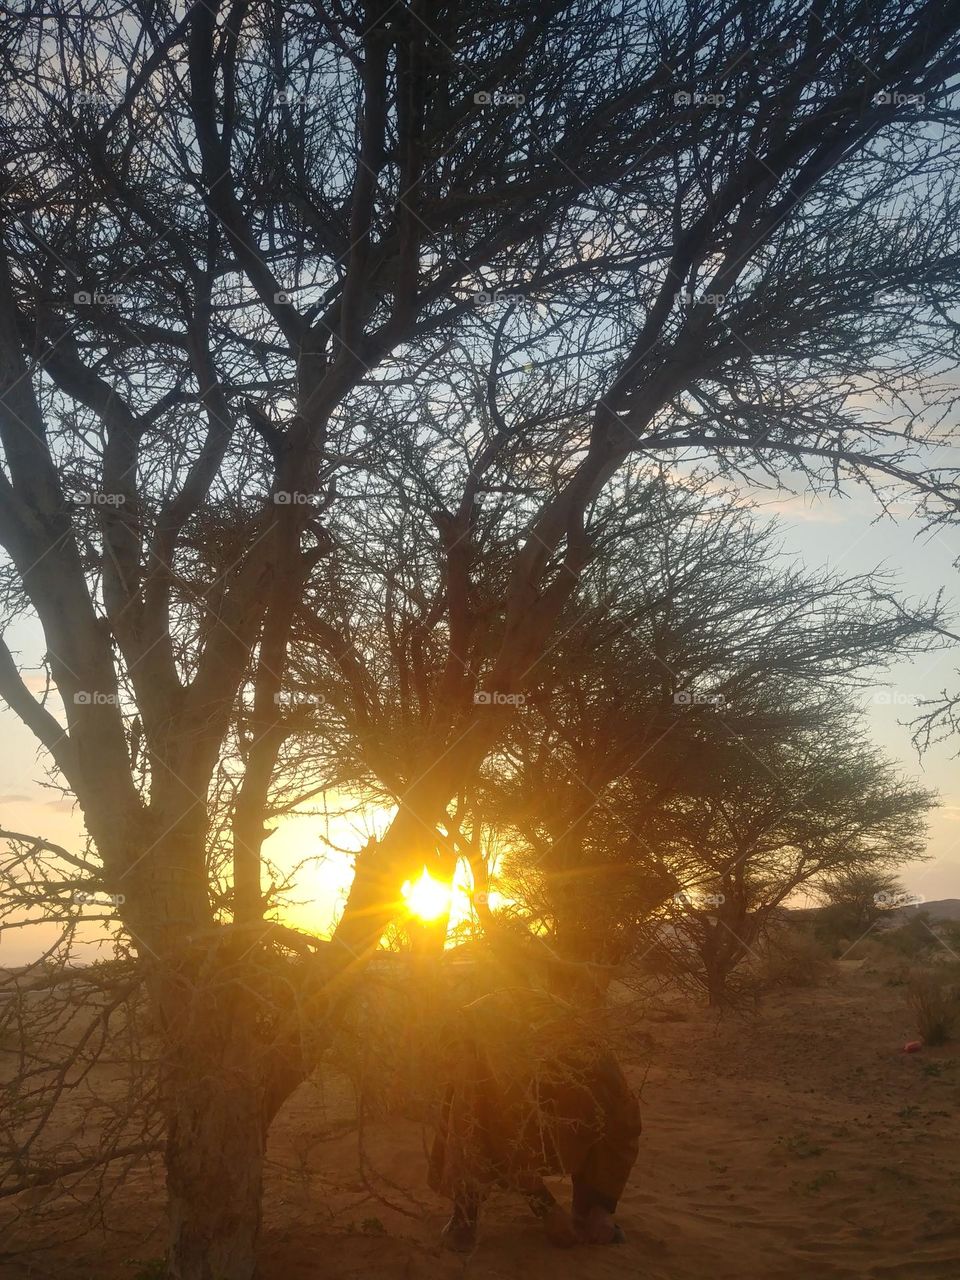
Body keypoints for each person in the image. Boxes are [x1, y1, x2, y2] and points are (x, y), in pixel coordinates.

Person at [427, 971, 641, 1252]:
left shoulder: (612, 1093)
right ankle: (464, 1215)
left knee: (593, 1186)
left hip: (545, 1030)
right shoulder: (514, 1088)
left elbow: (621, 1145)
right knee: (471, 1117)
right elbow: (506, 1135)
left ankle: (587, 1210)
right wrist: (545, 1209)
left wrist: (602, 1206)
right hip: (485, 1030)